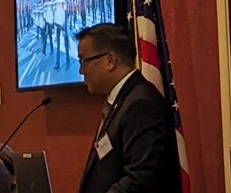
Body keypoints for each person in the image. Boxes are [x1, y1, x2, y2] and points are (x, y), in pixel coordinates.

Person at [76, 23, 181, 193]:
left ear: (110, 60)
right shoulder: (123, 100)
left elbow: (140, 178)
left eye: (84, 61)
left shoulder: (140, 103)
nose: (81, 70)